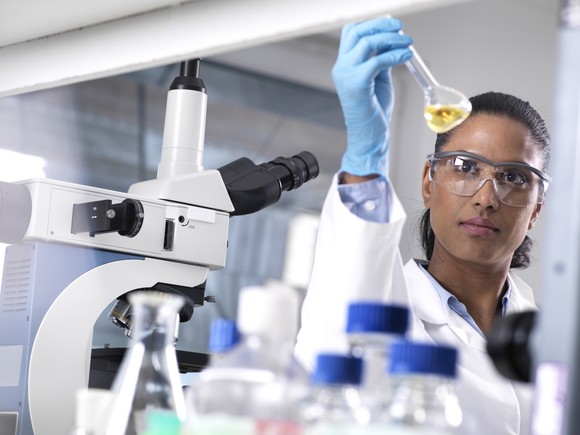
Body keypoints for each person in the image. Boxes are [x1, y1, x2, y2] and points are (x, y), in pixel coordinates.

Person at [295, 17, 551, 435]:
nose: (486, 197)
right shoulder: (382, 304)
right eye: (465, 167)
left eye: (513, 177)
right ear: (428, 184)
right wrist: (365, 160)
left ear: (536, 208)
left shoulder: (550, 338)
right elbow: (330, 361)